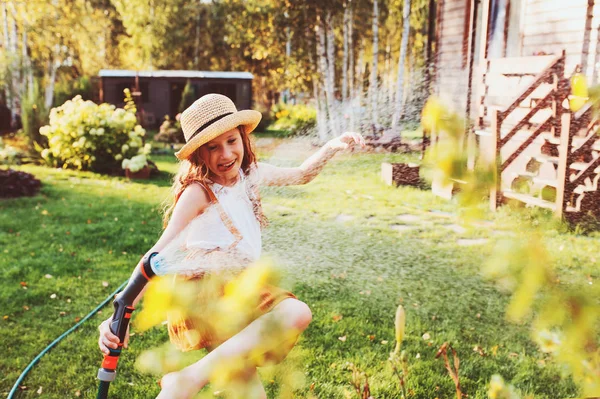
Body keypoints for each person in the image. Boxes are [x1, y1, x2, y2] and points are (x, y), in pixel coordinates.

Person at [98, 93, 365, 398]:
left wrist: (331, 147)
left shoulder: (250, 175)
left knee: (249, 390)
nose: (225, 154)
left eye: (231, 141)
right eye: (212, 147)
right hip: (209, 290)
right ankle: (187, 379)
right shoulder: (198, 193)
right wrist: (123, 308)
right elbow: (157, 256)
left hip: (239, 286)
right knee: (295, 312)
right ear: (198, 154)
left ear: (243, 139)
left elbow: (302, 175)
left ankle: (180, 385)